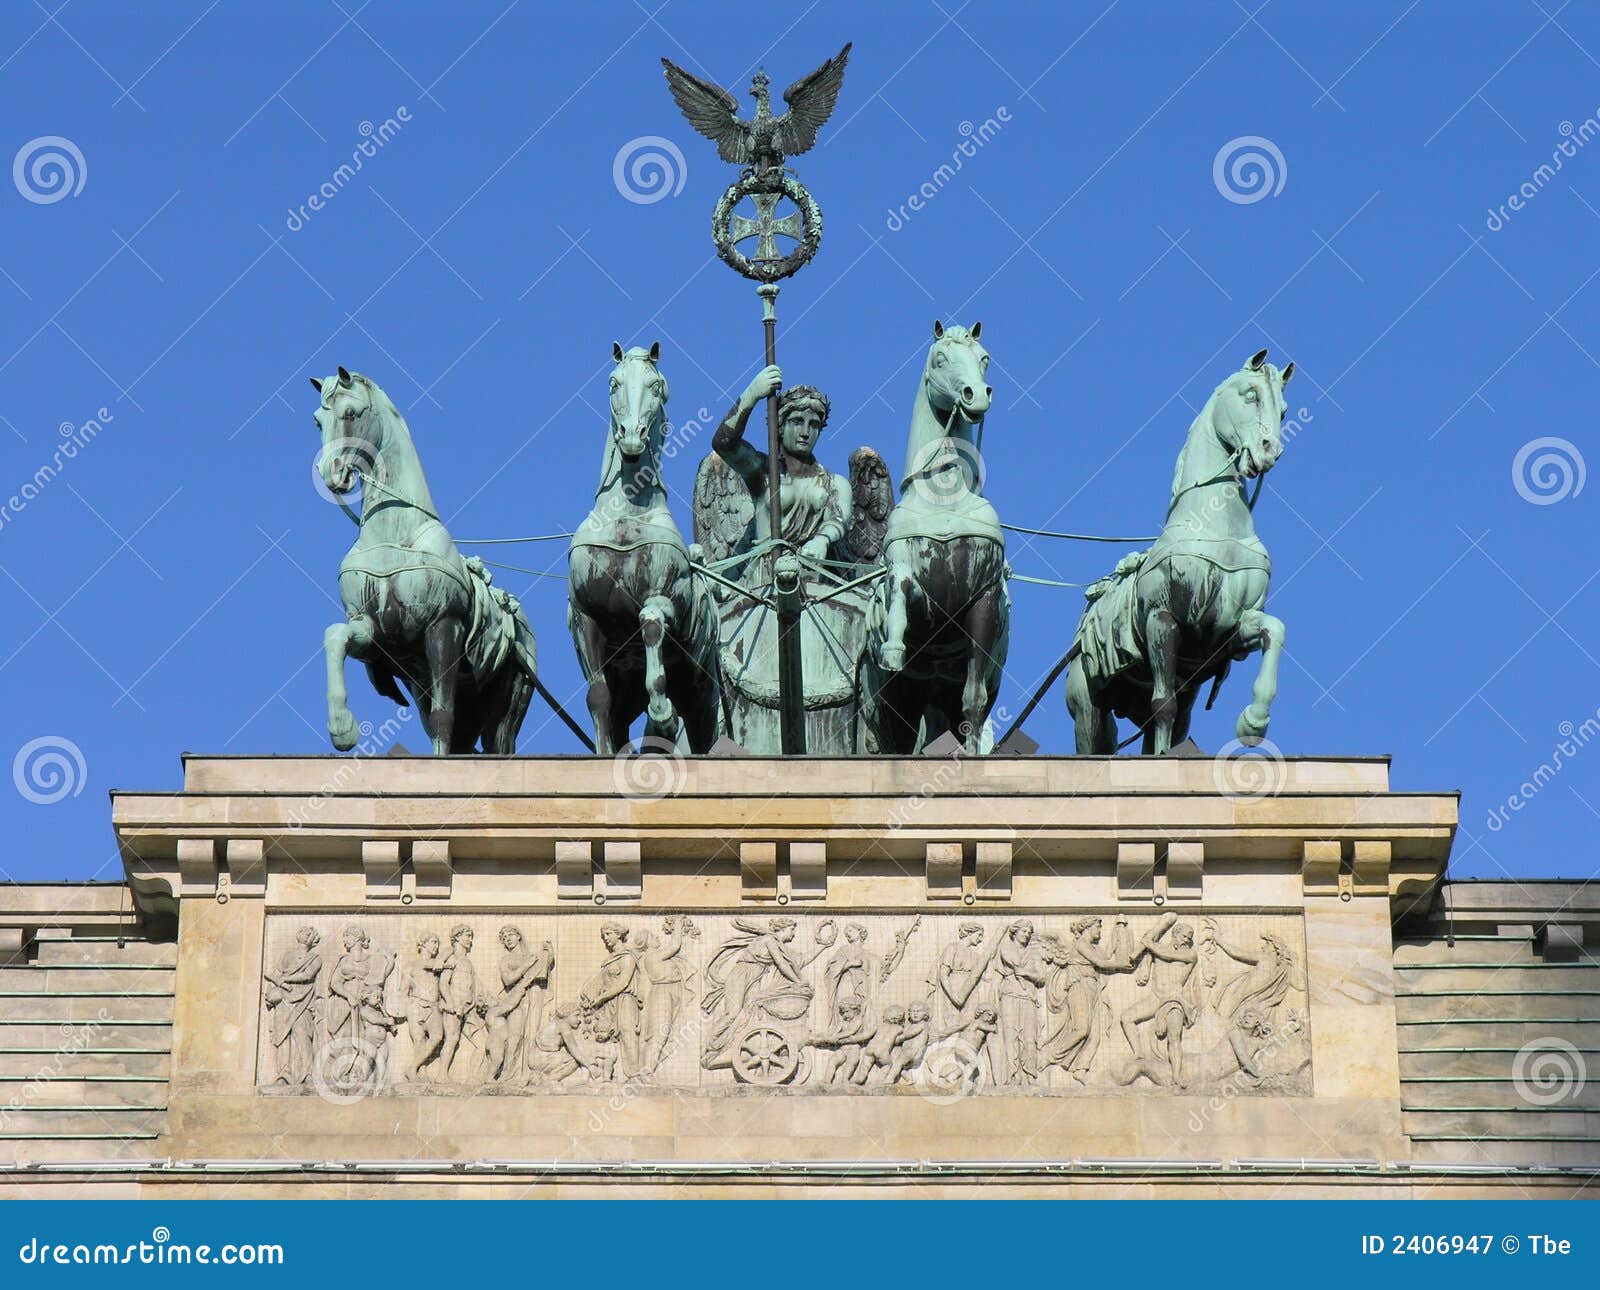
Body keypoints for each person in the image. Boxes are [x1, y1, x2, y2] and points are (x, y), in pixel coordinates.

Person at [713, 365, 852, 564]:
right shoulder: (762, 472)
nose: (805, 432)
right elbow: (723, 443)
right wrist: (751, 394)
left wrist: (822, 540)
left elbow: (838, 519)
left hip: (814, 579)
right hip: (764, 579)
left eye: (813, 425)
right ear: (779, 426)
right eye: (797, 421)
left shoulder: (835, 483)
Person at [635, 916, 698, 1077]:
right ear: (647, 941)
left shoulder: (654, 955)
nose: (657, 938)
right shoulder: (652, 955)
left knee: (669, 1031)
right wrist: (678, 923)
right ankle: (648, 1067)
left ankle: (651, 1066)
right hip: (663, 993)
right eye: (654, 937)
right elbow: (675, 945)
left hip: (672, 992)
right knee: (660, 1031)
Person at [263, 926, 322, 1085]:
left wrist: (286, 979)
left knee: (302, 1035)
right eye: (303, 932)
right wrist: (271, 993)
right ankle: (284, 1074)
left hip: (303, 999)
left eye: (309, 934)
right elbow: (275, 973)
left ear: (313, 940)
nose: (306, 935)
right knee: (283, 1036)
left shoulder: (315, 958)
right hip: (283, 998)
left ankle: (307, 1073)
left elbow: (307, 975)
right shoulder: (287, 955)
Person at [401, 933, 446, 1082]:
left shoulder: (437, 963)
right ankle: (421, 1072)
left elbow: (448, 953)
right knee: (419, 1040)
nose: (436, 946)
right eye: (433, 942)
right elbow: (403, 990)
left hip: (433, 1006)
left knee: (437, 1036)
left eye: (437, 943)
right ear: (423, 943)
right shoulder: (411, 966)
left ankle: (412, 1067)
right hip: (415, 1005)